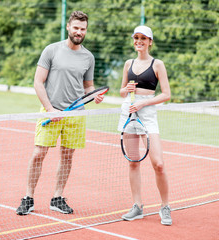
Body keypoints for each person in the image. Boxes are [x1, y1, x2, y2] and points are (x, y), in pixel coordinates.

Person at [16, 11, 104, 215]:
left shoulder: (88, 57)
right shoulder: (51, 50)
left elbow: (88, 88)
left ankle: (57, 197)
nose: (79, 32)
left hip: (76, 116)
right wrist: (49, 109)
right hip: (50, 112)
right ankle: (28, 198)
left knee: (67, 157)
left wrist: (95, 95)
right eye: (76, 28)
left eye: (83, 29)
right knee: (38, 154)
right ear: (68, 27)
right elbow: (38, 82)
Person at [117, 25, 172, 225]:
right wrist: (126, 88)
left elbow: (166, 94)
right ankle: (137, 206)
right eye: (136, 37)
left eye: (143, 38)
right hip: (128, 113)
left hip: (147, 114)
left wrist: (144, 102)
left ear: (150, 41)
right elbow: (122, 92)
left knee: (158, 164)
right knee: (133, 162)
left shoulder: (158, 64)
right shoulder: (128, 63)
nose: (139, 41)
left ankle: (165, 207)